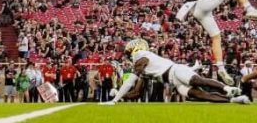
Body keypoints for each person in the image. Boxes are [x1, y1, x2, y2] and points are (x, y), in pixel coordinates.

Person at [102, 38, 249, 105]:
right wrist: (120, 96)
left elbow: (130, 81)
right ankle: (233, 100)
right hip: (173, 82)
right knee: (200, 95)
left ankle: (227, 88)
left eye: (129, 53)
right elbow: (136, 93)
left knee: (199, 81)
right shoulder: (143, 67)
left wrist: (114, 99)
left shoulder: (141, 56)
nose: (128, 56)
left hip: (175, 71)